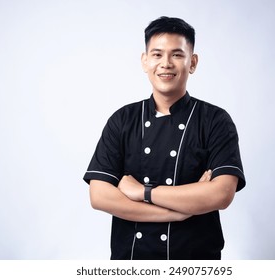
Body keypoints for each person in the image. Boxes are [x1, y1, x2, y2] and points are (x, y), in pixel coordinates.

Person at [83, 16, 246, 260]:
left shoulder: (215, 120)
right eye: (157, 54)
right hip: (131, 262)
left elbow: (221, 194)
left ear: (193, 62)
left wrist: (143, 192)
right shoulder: (122, 119)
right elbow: (99, 196)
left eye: (177, 55)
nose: (166, 64)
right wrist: (177, 212)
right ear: (145, 61)